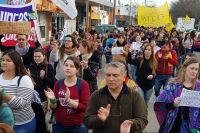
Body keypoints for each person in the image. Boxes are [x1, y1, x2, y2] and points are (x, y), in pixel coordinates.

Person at [84, 62, 148, 133]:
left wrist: (131, 124)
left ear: (124, 77)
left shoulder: (135, 96)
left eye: (115, 75)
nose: (111, 79)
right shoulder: (96, 95)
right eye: (108, 75)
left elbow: (143, 120)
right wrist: (99, 119)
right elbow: (87, 121)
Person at [45, 56, 90, 133]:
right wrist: (52, 100)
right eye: (66, 65)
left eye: (71, 66)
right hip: (59, 125)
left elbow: (85, 107)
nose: (68, 68)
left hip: (77, 126)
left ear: (77, 70)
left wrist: (69, 101)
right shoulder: (58, 83)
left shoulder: (83, 84)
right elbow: (54, 107)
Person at [154, 57, 200, 133]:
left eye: (196, 69)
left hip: (193, 128)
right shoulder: (174, 85)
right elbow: (160, 104)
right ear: (185, 68)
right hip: (174, 125)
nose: (194, 71)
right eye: (192, 68)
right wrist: (173, 104)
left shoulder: (199, 87)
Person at [0, 50, 36, 133]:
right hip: (3, 124)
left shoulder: (24, 79)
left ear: (16, 63)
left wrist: (3, 93)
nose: (4, 62)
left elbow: (22, 104)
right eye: (3, 60)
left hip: (22, 124)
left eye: (8, 60)